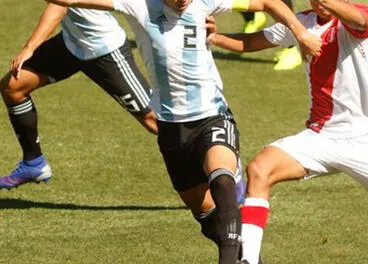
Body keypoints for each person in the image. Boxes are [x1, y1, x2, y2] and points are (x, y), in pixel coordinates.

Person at [42, 0, 322, 263]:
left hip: (212, 116)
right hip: (171, 129)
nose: (183, 1)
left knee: (223, 183)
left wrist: (299, 32)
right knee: (205, 215)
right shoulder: (139, 5)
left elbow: (267, 2)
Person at [205, 0, 368, 263]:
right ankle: (247, 260)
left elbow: (362, 22)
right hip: (321, 138)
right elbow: (251, 43)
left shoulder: (358, 18)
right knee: (260, 169)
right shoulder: (303, 23)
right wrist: (214, 37)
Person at [0, 4, 157, 190]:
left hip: (104, 50)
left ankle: (199, 165)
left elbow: (59, 5)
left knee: (152, 120)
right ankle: (33, 163)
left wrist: (30, 47)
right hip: (72, 44)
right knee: (13, 87)